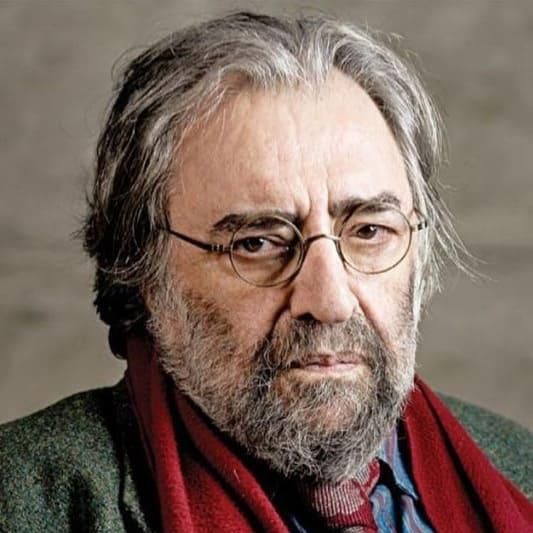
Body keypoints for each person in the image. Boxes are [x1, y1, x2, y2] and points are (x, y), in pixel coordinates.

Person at [0, 11, 531, 533]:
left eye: (369, 231)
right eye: (257, 243)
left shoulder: (519, 468)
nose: (330, 301)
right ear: (144, 271)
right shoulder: (24, 501)